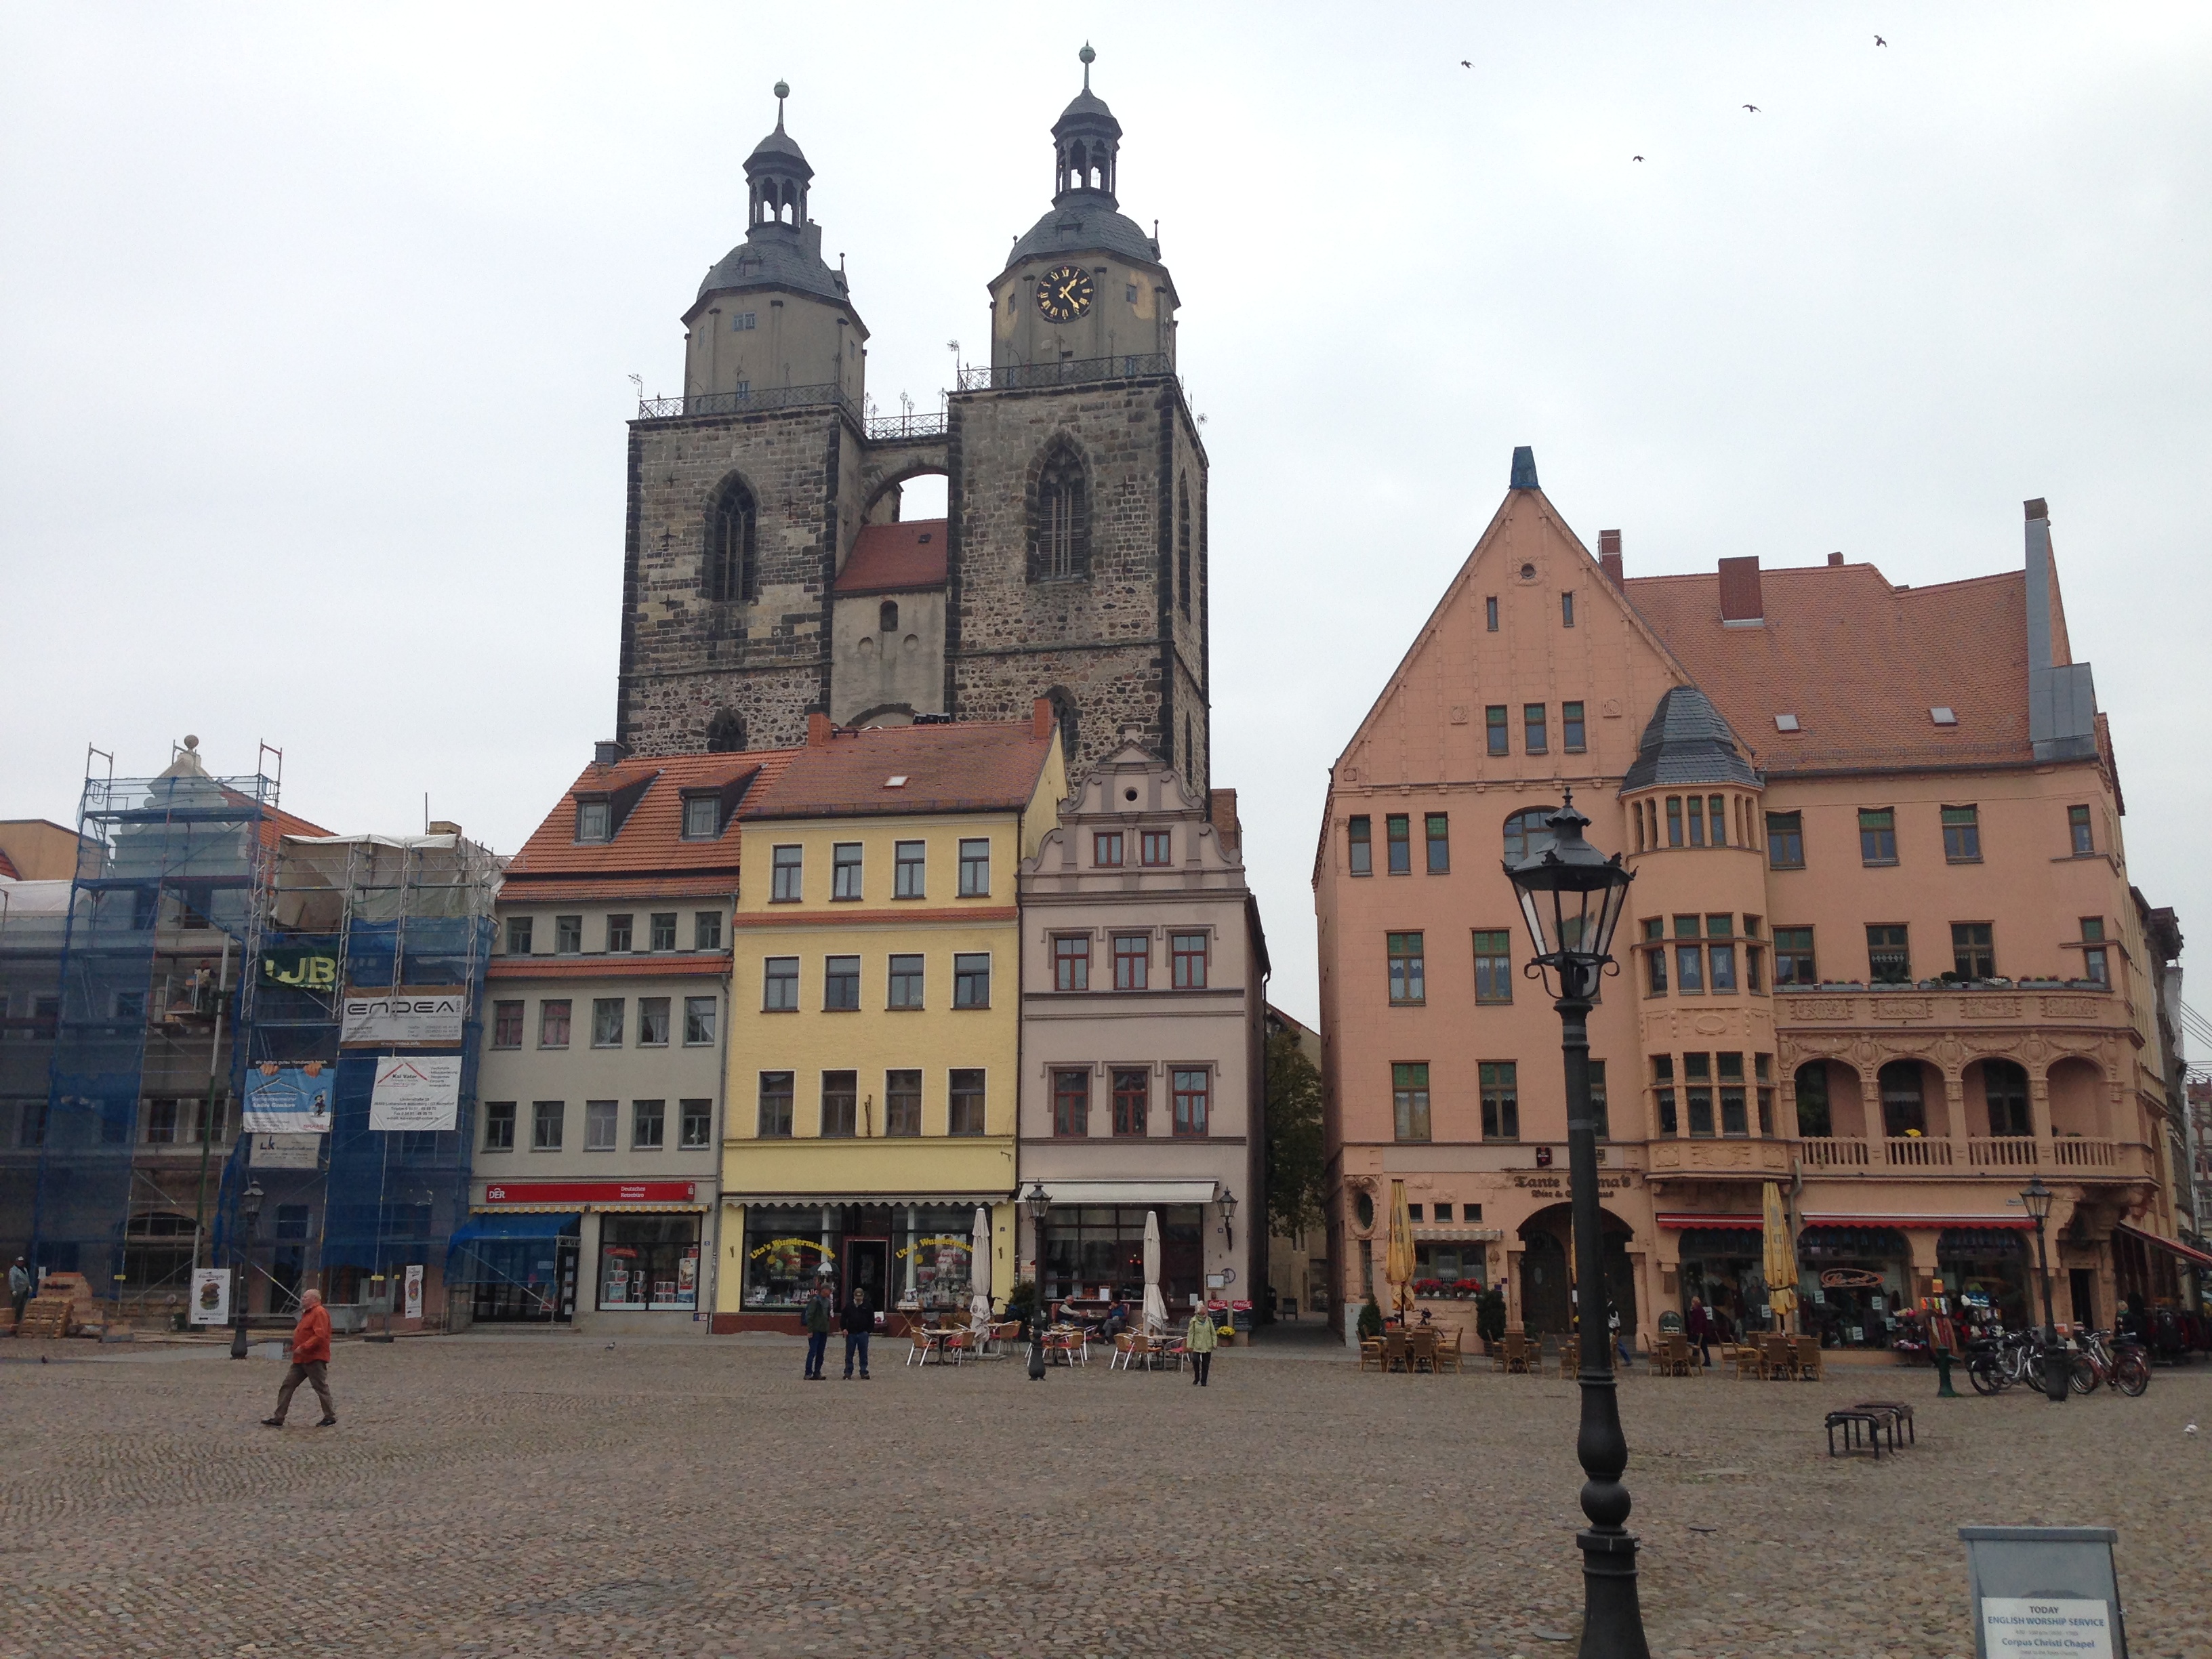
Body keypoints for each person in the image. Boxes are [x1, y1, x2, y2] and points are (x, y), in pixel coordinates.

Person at [262, 1288, 335, 1428]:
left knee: (320, 1387)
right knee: (288, 1385)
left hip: (314, 1358)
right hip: (300, 1359)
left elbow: (319, 1335)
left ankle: (330, 1416)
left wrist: (304, 1347)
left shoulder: (319, 1312)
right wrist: (294, 1347)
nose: (302, 1299)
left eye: (305, 1297)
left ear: (314, 1299)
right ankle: (278, 1417)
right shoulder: (307, 1313)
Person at [800, 1278, 833, 1380]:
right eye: (829, 1290)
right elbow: (810, 1316)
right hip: (815, 1330)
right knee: (813, 1352)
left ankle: (817, 1372)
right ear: (824, 1290)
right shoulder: (815, 1301)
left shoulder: (827, 1302)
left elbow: (827, 1315)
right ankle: (808, 1372)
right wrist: (810, 1330)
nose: (830, 1292)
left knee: (821, 1353)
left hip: (823, 1330)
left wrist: (827, 1328)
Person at [840, 1284, 874, 1380]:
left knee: (863, 1354)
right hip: (851, 1333)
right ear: (854, 1296)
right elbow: (843, 1318)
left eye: (860, 1297)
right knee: (849, 1354)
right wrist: (844, 1329)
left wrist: (868, 1331)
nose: (858, 1299)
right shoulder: (849, 1306)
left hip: (863, 1333)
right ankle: (848, 1372)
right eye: (857, 1297)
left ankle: (864, 1371)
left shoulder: (868, 1306)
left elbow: (872, 1319)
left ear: (863, 1296)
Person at [1185, 1302, 1218, 1387]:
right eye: (1203, 1308)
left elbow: (1213, 1333)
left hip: (1207, 1344)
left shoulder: (1209, 1320)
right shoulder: (1194, 1321)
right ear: (1199, 1310)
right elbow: (1191, 1333)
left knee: (1206, 1364)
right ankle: (1197, 1377)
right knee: (1195, 1360)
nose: (1205, 1309)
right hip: (1197, 1345)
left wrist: (1214, 1343)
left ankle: (1204, 1380)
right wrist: (1189, 1345)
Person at [1686, 1297, 1713, 1366]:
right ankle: (1707, 1361)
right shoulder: (1699, 1310)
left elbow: (1699, 1322)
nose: (1692, 1304)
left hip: (1699, 1332)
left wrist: (1697, 1332)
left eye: (1692, 1302)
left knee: (1696, 1347)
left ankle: (1695, 1361)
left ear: (1695, 1303)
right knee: (1703, 1347)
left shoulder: (1698, 1311)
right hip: (1703, 1332)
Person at [8, 1257, 28, 1332]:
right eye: (19, 1262)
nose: (21, 1263)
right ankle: (14, 1326)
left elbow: (27, 1278)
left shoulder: (24, 1269)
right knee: (16, 1308)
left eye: (22, 1262)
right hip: (17, 1292)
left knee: (22, 1308)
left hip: (24, 1291)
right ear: (16, 1262)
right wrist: (13, 1290)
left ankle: (19, 1325)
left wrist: (29, 1286)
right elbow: (12, 1280)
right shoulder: (14, 1270)